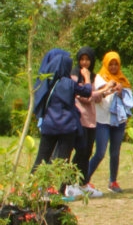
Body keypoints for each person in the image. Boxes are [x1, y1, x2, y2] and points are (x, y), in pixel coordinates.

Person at [31, 48, 92, 194]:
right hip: (67, 128)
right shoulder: (69, 83)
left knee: (41, 159)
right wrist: (87, 78)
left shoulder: (47, 82)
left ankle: (31, 187)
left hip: (49, 125)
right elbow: (87, 91)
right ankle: (60, 191)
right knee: (63, 160)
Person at [88, 51, 133, 193]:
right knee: (100, 152)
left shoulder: (122, 79)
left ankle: (113, 181)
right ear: (106, 64)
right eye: (111, 64)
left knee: (115, 152)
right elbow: (99, 95)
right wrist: (110, 87)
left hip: (118, 120)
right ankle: (84, 180)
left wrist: (121, 92)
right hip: (102, 119)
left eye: (116, 64)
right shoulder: (100, 78)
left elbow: (129, 98)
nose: (113, 67)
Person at [67, 47, 108, 198]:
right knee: (80, 152)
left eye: (87, 59)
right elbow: (83, 96)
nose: (84, 62)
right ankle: (70, 184)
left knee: (88, 152)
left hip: (91, 119)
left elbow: (95, 97)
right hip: (80, 118)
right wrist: (88, 81)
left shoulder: (92, 75)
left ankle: (84, 184)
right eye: (82, 59)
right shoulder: (75, 75)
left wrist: (106, 91)